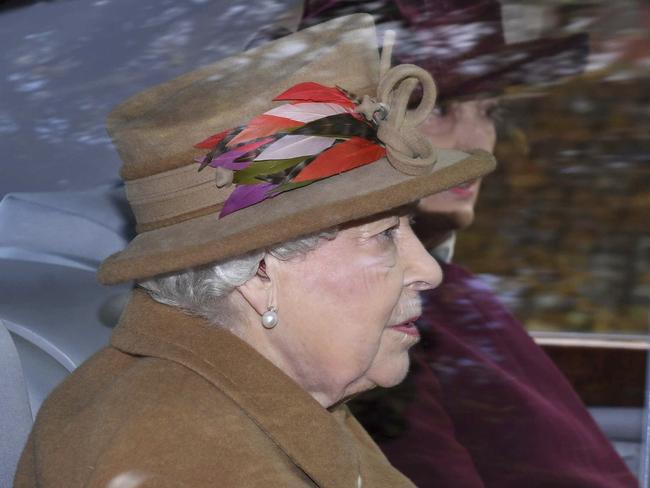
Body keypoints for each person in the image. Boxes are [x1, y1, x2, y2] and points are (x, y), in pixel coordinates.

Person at [13, 14, 496, 488]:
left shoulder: (273, 400)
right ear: (259, 273)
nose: (428, 271)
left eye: (409, 225)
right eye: (385, 235)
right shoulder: (183, 455)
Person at [298, 1, 639, 487]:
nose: (479, 143)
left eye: (490, 111)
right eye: (437, 107)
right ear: (352, 123)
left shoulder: (460, 295)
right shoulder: (372, 317)